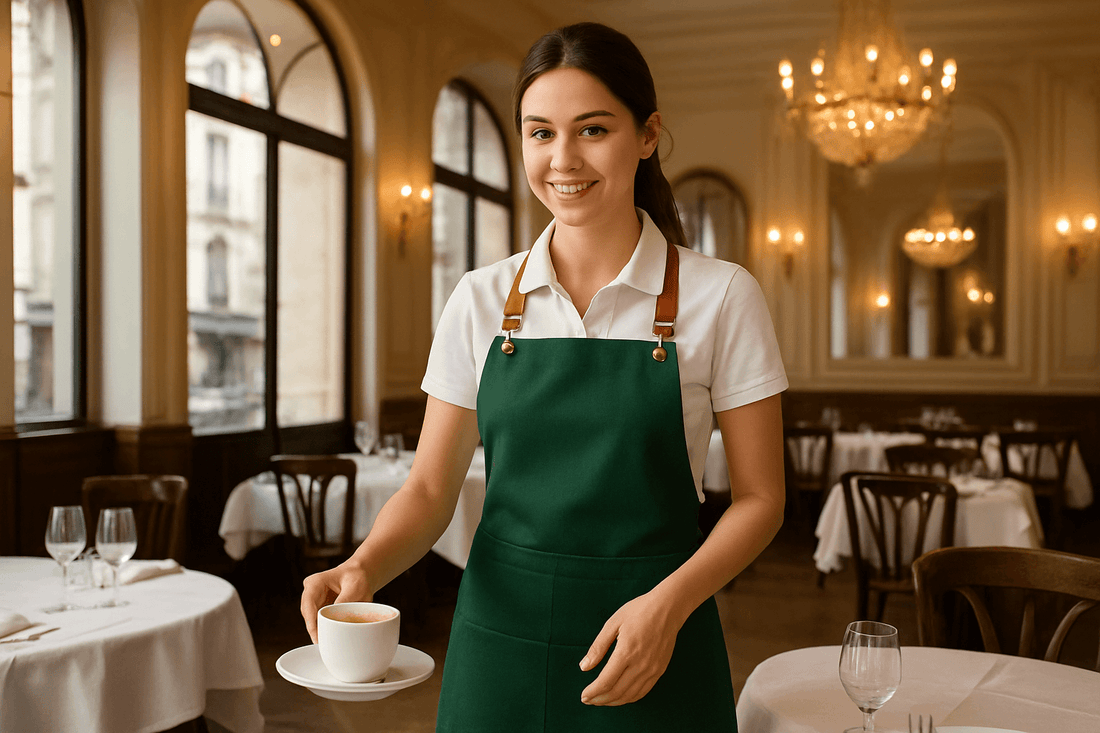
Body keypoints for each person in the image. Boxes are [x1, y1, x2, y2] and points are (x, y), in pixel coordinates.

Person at [300, 21, 787, 732]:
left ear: (647, 134)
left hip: (656, 638)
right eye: (539, 133)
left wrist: (670, 604)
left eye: (592, 129)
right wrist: (364, 566)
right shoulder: (478, 298)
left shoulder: (723, 295)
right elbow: (432, 488)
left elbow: (761, 498)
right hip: (500, 644)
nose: (563, 159)